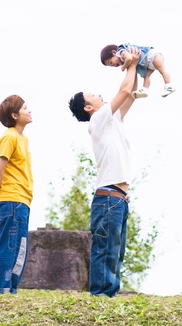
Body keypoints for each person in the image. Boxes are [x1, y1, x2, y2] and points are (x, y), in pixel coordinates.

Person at [68, 47, 142, 297]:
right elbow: (123, 91)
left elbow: (130, 94)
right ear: (89, 108)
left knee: (116, 251)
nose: (99, 95)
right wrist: (131, 65)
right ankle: (100, 296)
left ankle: (108, 295)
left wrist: (135, 65)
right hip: (108, 197)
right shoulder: (98, 120)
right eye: (93, 95)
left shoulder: (112, 120)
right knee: (106, 249)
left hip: (118, 198)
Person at [0, 94, 33, 295]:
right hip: (11, 200)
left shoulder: (23, 139)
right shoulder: (9, 137)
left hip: (22, 201)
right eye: (24, 108)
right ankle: (1, 290)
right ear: (14, 115)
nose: (29, 111)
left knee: (20, 249)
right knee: (9, 247)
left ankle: (10, 291)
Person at [99, 43, 174, 98]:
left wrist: (123, 67)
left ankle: (169, 86)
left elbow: (129, 58)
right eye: (111, 66)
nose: (114, 66)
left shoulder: (121, 52)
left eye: (111, 62)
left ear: (114, 53)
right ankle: (145, 89)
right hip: (148, 63)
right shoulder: (122, 59)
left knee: (162, 70)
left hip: (152, 55)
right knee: (146, 76)